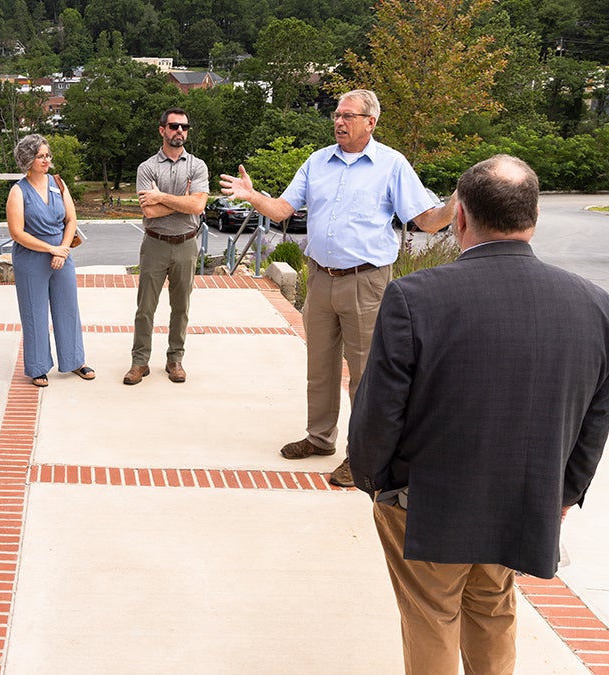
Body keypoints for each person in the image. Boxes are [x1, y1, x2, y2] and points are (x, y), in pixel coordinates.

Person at [348, 155, 609, 673]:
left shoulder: (413, 297)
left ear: (460, 217)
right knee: (492, 609)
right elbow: (595, 420)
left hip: (424, 502)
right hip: (523, 499)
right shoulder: (594, 305)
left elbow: (379, 410)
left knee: (431, 616)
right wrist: (562, 494)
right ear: (532, 217)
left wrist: (372, 480)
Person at [220, 89, 455, 487]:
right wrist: (252, 196)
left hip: (366, 282)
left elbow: (428, 221)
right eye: (336, 115)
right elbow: (282, 209)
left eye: (348, 115)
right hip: (320, 277)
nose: (339, 122)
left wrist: (457, 202)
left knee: (365, 373)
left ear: (370, 122)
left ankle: (361, 456)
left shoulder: (391, 166)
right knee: (321, 367)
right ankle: (319, 438)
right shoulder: (317, 162)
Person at [125, 108, 209, 387]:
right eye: (174, 126)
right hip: (155, 244)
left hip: (186, 244)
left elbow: (197, 205)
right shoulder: (147, 167)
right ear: (162, 130)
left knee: (181, 307)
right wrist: (180, 200)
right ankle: (140, 362)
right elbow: (149, 211)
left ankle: (175, 359)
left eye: (185, 127)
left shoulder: (197, 166)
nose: (180, 132)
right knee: (145, 307)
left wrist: (161, 196)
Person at [6, 134, 94, 386]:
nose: (46, 160)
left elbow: (71, 220)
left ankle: (75, 360)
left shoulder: (58, 183)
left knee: (68, 308)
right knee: (34, 313)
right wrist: (50, 250)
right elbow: (17, 232)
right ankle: (37, 366)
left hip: (62, 254)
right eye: (40, 156)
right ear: (27, 160)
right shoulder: (18, 191)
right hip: (31, 256)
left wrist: (63, 249)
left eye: (47, 155)